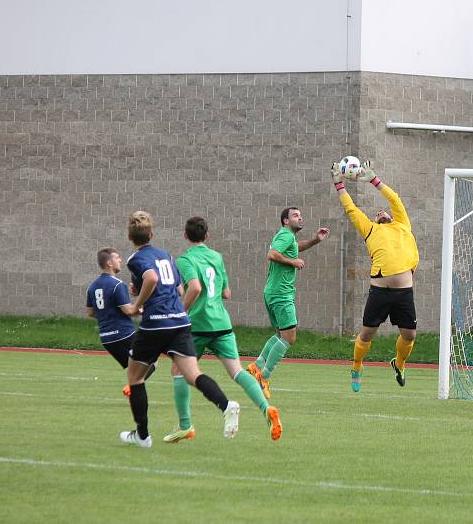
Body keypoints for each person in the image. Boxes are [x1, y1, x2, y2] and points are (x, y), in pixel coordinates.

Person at [119, 211, 240, 448]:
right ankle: (226, 405)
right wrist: (143, 291)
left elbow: (152, 279)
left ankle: (142, 436)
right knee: (193, 375)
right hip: (180, 322)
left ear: (129, 236)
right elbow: (178, 289)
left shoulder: (134, 258)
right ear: (152, 234)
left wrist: (137, 305)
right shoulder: (165, 255)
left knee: (135, 377)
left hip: (156, 324)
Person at [163, 216, 282, 443]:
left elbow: (194, 288)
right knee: (237, 372)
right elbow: (226, 293)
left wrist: (180, 313)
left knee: (179, 371)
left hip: (197, 325)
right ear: (207, 235)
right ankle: (266, 409)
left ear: (185, 235)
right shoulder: (216, 257)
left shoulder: (185, 260)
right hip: (222, 323)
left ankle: (185, 425)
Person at [329, 160, 419, 392]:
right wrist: (339, 184)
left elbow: (395, 200)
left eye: (384, 212)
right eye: (377, 213)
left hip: (403, 293)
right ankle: (357, 366)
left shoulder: (403, 225)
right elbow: (351, 209)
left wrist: (373, 180)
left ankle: (399, 363)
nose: (381, 212)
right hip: (379, 291)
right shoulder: (370, 230)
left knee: (409, 335)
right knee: (367, 333)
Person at [246, 208, 330, 398]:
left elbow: (295, 247)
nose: (300, 217)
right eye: (295, 215)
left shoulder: (288, 237)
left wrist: (316, 240)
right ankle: (264, 376)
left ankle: (256, 366)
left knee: (280, 334)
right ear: (285, 221)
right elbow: (272, 254)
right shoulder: (284, 235)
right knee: (289, 337)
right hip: (281, 294)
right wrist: (293, 262)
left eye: (300, 215)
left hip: (274, 292)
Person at [85, 247, 155, 396]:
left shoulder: (92, 286)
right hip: (124, 335)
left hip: (107, 338)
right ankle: (131, 390)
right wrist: (143, 309)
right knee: (151, 362)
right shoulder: (118, 285)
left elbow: (91, 312)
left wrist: (108, 315)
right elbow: (129, 310)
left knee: (135, 367)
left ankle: (134, 391)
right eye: (117, 258)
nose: (120, 260)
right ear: (110, 262)